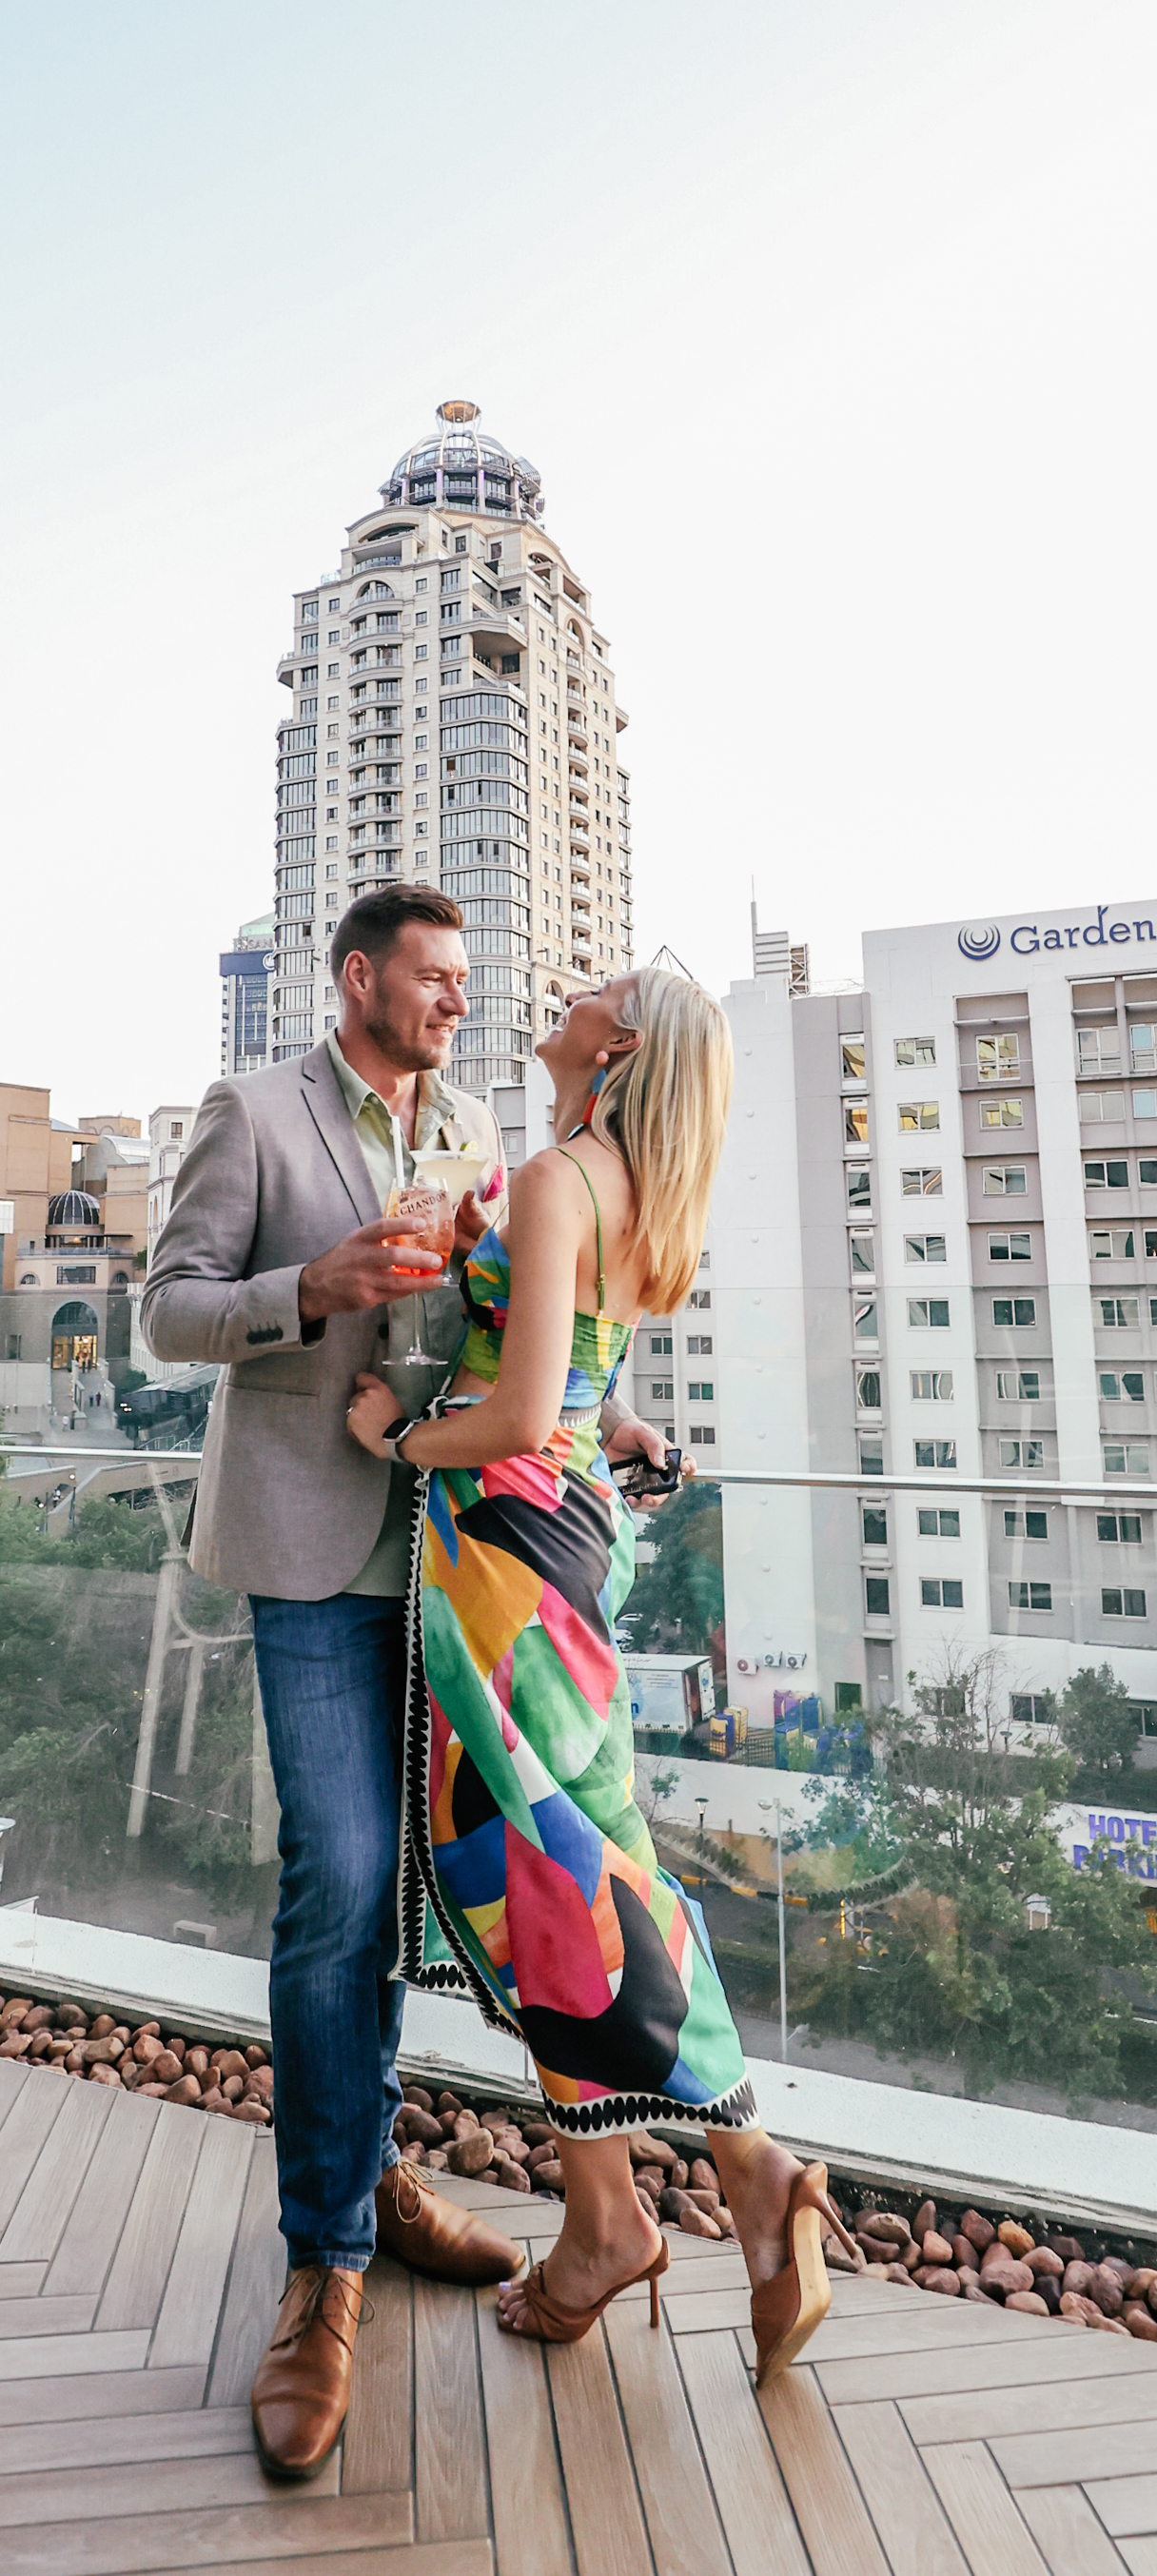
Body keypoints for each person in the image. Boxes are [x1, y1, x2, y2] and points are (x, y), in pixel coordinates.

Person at [142, 888, 678, 2481]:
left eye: (468, 979)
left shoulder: (484, 1132)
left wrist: (603, 1430)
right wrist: (307, 1289)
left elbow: (504, 1343)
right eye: (435, 976)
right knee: (340, 1885)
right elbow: (164, 1312)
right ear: (359, 976)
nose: (460, 997)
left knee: (419, 1900)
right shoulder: (252, 1111)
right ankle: (323, 2266)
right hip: (312, 1557)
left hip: (455, 1561)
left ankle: (365, 2178)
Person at [345, 965, 857, 2381]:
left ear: (616, 1044)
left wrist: (395, 1437)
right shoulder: (621, 1180)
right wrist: (618, 1428)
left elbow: (513, 1410)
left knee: (553, 1880)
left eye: (597, 985)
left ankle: (653, 2206)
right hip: (569, 1539)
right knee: (585, 1863)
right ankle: (689, 2188)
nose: (568, 986)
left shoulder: (566, 1174)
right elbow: (575, 1372)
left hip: (509, 1557)